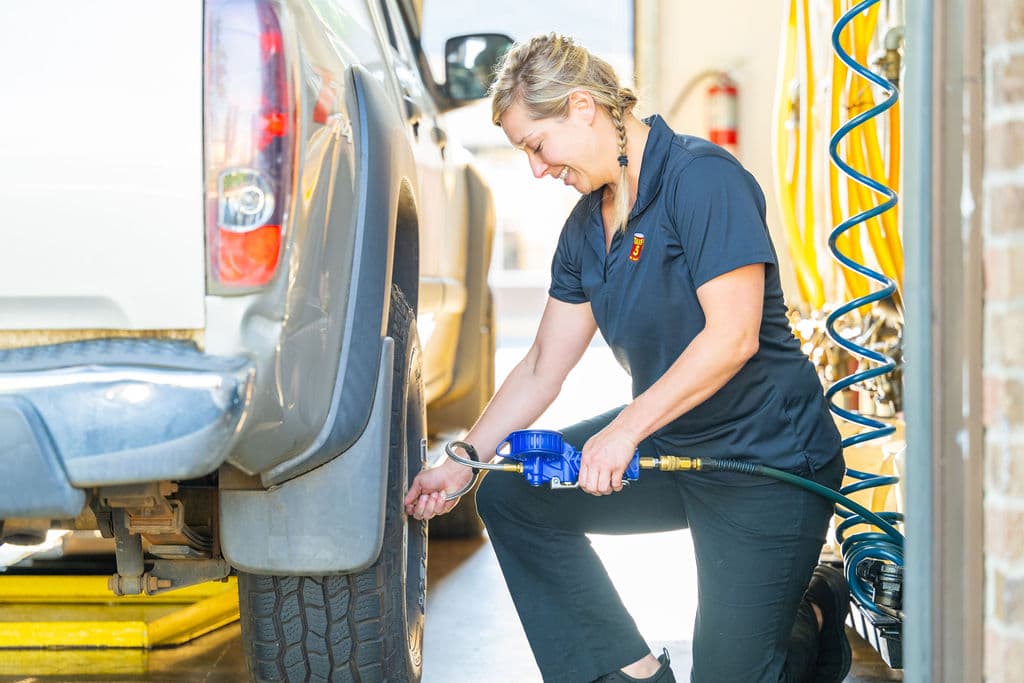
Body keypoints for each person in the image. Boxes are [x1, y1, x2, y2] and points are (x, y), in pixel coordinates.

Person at [404, 33, 852, 683]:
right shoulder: (585, 229)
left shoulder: (702, 179)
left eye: (536, 145)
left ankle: (810, 607)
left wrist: (624, 429)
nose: (536, 169)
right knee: (511, 493)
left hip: (765, 459)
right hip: (674, 444)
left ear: (582, 107)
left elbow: (733, 337)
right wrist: (463, 460)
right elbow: (542, 365)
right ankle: (628, 675)